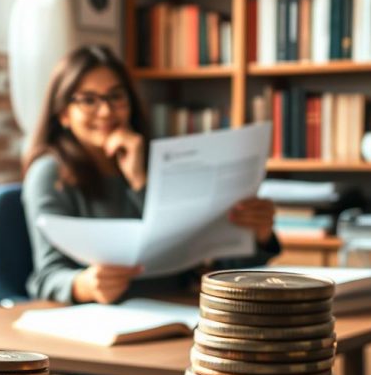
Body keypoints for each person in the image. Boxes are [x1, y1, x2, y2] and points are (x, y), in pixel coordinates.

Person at [22, 44, 279, 304]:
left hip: (180, 306)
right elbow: (47, 277)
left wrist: (259, 236)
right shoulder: (49, 173)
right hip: (106, 315)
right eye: (88, 100)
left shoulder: (162, 160)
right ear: (63, 114)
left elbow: (207, 262)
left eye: (116, 96)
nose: (106, 111)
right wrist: (86, 285)